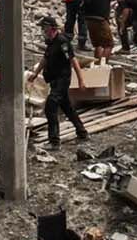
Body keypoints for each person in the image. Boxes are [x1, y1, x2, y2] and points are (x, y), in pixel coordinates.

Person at [28, 16, 90, 150]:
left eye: (44, 27)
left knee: (50, 107)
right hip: (54, 80)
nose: (43, 30)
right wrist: (35, 73)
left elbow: (73, 61)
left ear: (51, 28)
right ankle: (82, 132)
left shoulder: (62, 42)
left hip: (62, 79)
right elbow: (45, 58)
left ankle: (54, 142)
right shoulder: (50, 42)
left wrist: (81, 80)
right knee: (67, 107)